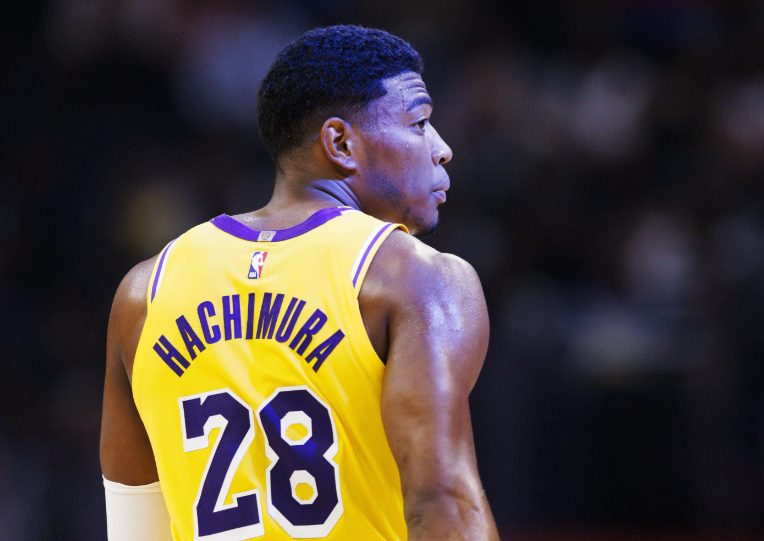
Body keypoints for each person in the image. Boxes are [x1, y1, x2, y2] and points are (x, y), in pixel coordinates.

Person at [100, 25, 498, 541]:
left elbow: (133, 527)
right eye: (419, 123)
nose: (442, 149)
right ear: (340, 143)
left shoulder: (144, 292)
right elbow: (442, 501)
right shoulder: (412, 277)